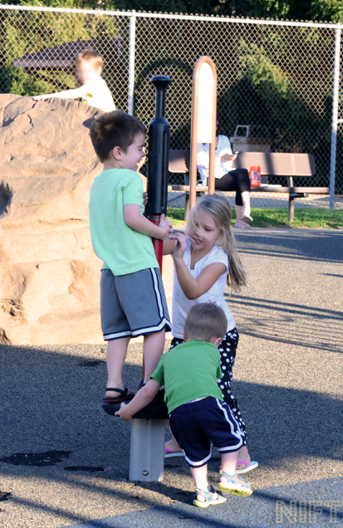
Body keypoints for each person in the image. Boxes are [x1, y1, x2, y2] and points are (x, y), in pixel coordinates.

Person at [116, 303, 253, 508]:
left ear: (185, 334)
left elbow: (148, 391)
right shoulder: (213, 352)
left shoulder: (168, 356)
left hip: (178, 414)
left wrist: (128, 411)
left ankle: (204, 492)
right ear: (218, 341)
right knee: (231, 436)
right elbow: (214, 383)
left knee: (194, 451)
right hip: (208, 403)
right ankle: (229, 474)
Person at [162, 194, 257, 474]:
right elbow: (155, 242)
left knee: (217, 388)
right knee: (175, 386)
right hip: (184, 334)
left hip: (218, 337)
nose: (198, 233)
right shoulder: (184, 244)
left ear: (221, 233)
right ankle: (182, 439)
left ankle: (240, 448)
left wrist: (178, 259)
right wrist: (155, 220)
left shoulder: (218, 260)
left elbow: (193, 290)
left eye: (207, 229)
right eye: (195, 225)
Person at [88, 110, 173, 403]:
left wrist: (137, 202)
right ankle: (151, 384)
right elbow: (132, 219)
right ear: (118, 152)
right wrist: (161, 232)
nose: (142, 155)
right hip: (137, 264)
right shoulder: (132, 178)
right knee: (156, 326)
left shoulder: (99, 182)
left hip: (110, 269)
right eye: (139, 148)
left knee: (117, 331)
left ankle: (114, 384)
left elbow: (118, 212)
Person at [197, 133, 252, 229]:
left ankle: (246, 209)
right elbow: (203, 163)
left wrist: (225, 159)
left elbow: (228, 163)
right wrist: (221, 159)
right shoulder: (199, 141)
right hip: (210, 177)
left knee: (243, 173)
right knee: (241, 182)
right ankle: (240, 218)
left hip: (225, 173)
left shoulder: (224, 139)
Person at [33, 49, 115, 112]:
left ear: (98, 70)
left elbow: (75, 93)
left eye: (87, 71)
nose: (83, 74)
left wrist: (49, 96)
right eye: (80, 71)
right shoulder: (96, 85)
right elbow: (86, 95)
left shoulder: (95, 84)